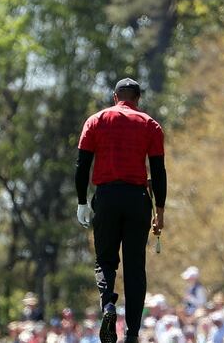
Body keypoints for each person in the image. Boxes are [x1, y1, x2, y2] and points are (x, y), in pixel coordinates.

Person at [75, 78, 167, 343]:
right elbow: (158, 172)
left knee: (105, 261)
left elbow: (82, 165)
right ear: (138, 99)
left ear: (115, 97)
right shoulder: (150, 125)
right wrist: (159, 211)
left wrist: (82, 201)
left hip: (106, 197)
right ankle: (132, 334)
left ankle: (108, 307)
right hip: (137, 198)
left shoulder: (96, 120)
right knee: (135, 266)